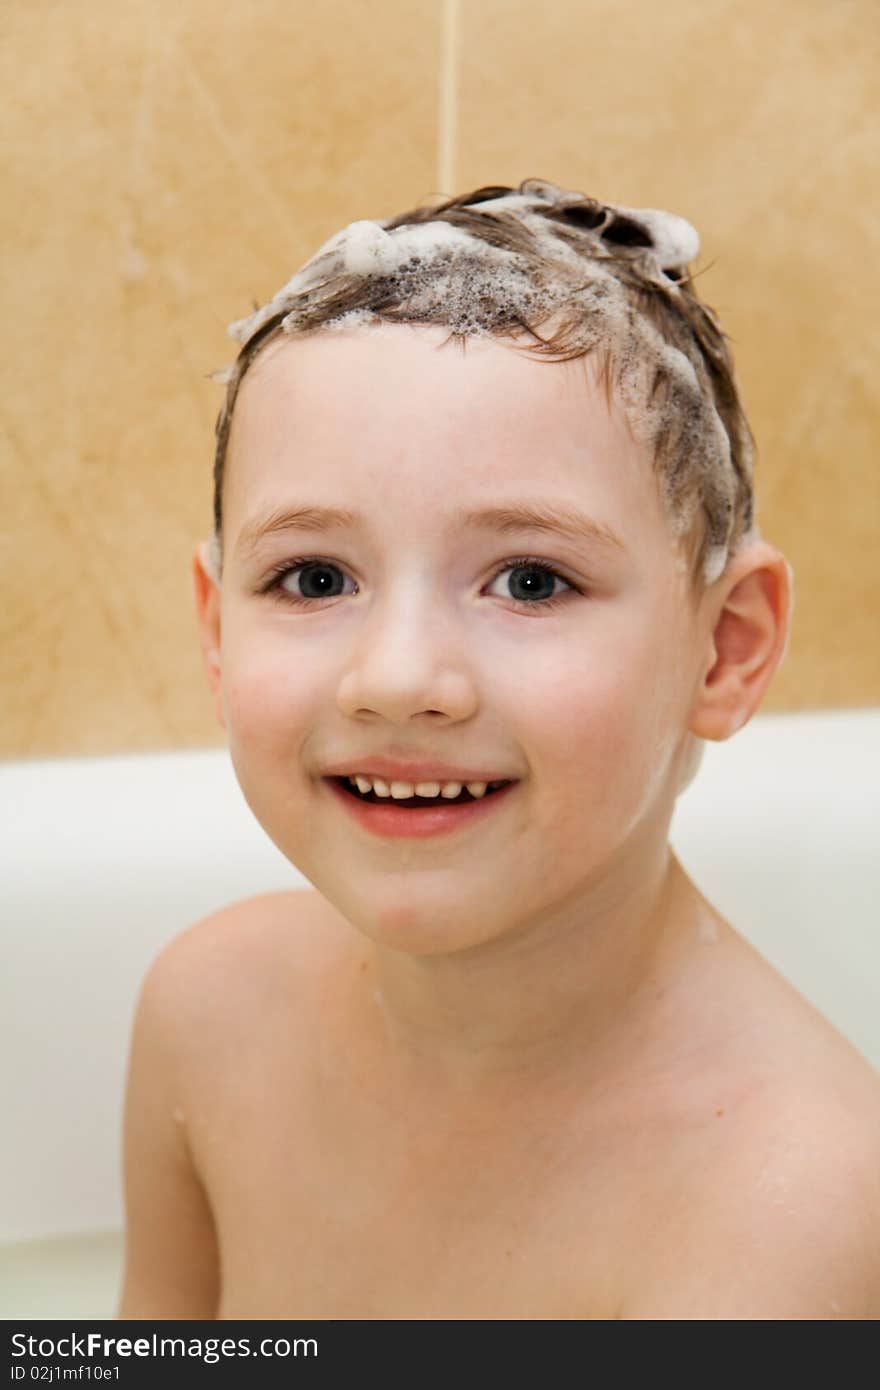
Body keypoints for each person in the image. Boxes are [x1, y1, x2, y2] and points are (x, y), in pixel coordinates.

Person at [118, 179, 880, 1320]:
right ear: (219, 628)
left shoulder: (788, 1203)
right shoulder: (211, 1014)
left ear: (723, 648)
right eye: (314, 577)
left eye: (531, 580)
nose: (398, 679)